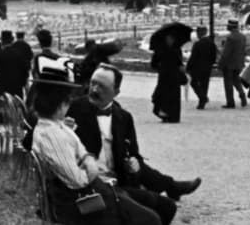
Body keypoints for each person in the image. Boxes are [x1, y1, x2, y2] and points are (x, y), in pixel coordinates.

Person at [29, 57, 162, 225]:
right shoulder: (52, 134)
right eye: (67, 100)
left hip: (96, 190)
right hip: (81, 202)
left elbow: (80, 156)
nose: (69, 103)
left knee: (156, 209)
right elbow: (77, 180)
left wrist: (86, 158)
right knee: (150, 219)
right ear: (59, 104)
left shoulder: (56, 126)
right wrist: (90, 164)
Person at [69, 64, 201, 224]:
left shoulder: (123, 117)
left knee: (168, 207)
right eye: (93, 83)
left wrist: (134, 165)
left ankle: (170, 187)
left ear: (116, 92)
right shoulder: (73, 109)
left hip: (118, 183)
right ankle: (171, 186)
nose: (94, 90)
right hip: (92, 188)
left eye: (101, 86)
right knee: (150, 219)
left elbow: (133, 155)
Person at [150, 33, 186, 123]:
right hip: (164, 76)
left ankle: (173, 116)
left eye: (172, 38)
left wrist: (181, 67)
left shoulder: (177, 49)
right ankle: (164, 113)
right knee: (162, 95)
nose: (170, 40)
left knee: (173, 97)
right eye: (169, 38)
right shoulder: (160, 49)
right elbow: (153, 63)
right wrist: (161, 67)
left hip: (174, 77)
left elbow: (179, 62)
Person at [218, 20, 247, 109]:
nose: (227, 27)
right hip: (239, 63)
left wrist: (220, 63)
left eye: (228, 25)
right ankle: (242, 94)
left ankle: (230, 102)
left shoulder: (230, 37)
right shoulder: (242, 37)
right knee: (236, 80)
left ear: (231, 26)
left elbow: (226, 53)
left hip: (229, 64)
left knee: (228, 83)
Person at [186, 27, 216, 109]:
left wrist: (188, 67)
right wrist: (211, 63)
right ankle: (202, 102)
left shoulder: (198, 44)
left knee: (194, 83)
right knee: (204, 84)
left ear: (199, 33)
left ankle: (202, 98)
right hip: (207, 66)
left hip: (197, 67)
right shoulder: (211, 43)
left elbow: (193, 57)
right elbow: (214, 55)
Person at [0, 30, 26, 97]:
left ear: (2, 41)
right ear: (12, 40)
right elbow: (24, 70)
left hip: (3, 88)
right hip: (17, 87)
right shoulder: (19, 54)